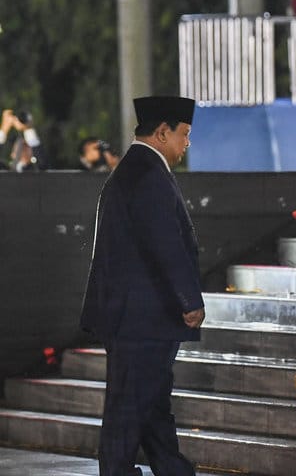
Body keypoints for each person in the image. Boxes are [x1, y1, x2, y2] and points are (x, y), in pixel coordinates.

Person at [80, 96, 205, 476]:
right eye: (183, 134)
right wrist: (189, 300)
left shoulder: (136, 169)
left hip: (135, 318)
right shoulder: (148, 173)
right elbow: (164, 243)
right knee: (130, 410)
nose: (186, 143)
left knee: (150, 408)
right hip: (143, 320)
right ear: (162, 132)